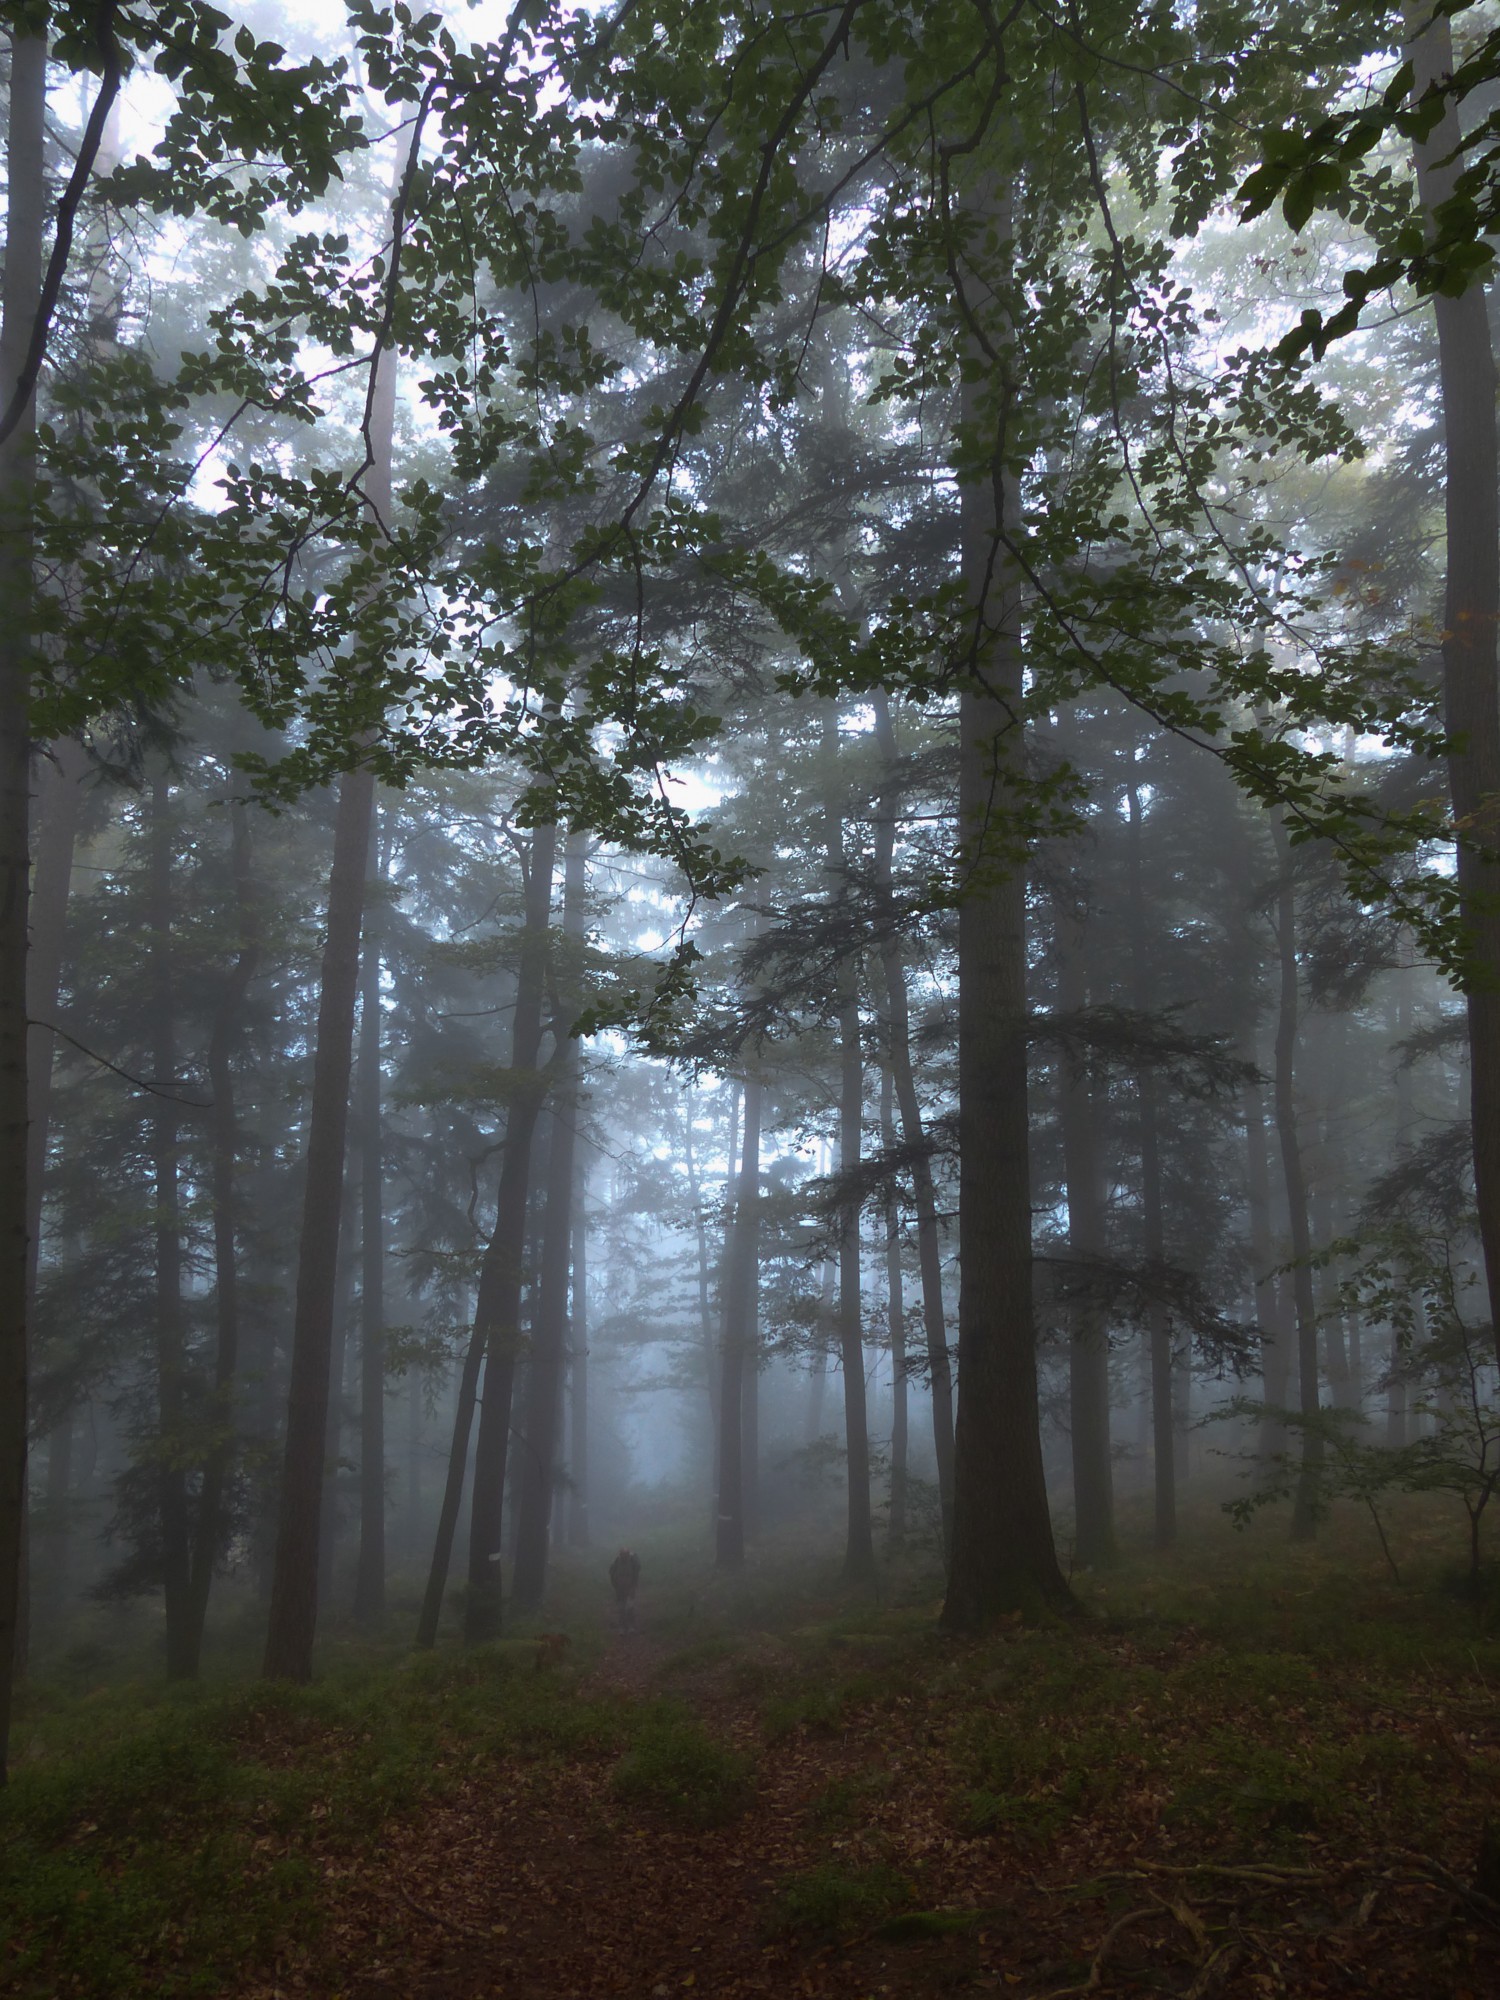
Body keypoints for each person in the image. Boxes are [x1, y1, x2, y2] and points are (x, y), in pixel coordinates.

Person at [609, 1547, 641, 1629]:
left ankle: (630, 1626)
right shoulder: (617, 1562)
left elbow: (636, 1575)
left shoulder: (632, 1562)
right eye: (623, 1556)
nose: (624, 1558)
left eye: (625, 1556)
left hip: (630, 1588)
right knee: (621, 1609)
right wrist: (615, 1586)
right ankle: (622, 1626)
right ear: (620, 1555)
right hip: (620, 1589)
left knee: (630, 1607)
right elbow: (612, 1574)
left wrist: (633, 1587)